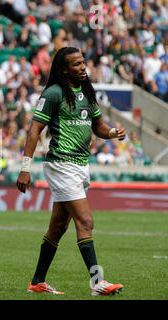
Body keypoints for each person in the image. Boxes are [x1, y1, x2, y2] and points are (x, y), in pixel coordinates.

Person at [16, 47, 125, 296]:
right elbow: (34, 131)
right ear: (64, 69)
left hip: (81, 165)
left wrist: (112, 133)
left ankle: (37, 282)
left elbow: (97, 125)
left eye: (83, 62)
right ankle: (98, 282)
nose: (83, 67)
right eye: (76, 64)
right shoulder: (53, 93)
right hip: (61, 164)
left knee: (57, 227)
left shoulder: (86, 92)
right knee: (85, 221)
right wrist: (25, 168)